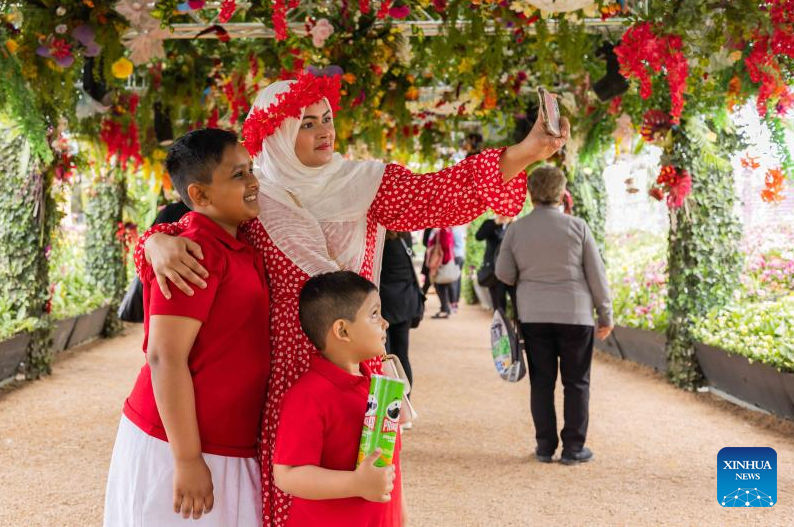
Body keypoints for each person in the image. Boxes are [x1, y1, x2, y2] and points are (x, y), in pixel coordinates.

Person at [135, 73, 568, 525]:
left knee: (373, 495)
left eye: (327, 119)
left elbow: (442, 194)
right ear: (276, 133)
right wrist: (153, 241)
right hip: (288, 380)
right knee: (298, 500)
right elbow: (192, 226)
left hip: (361, 371)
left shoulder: (366, 186)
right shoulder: (253, 196)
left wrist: (527, 151)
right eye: (306, 124)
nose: (324, 131)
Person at [104, 129, 270, 526]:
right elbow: (164, 357)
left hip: (226, 442)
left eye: (251, 170)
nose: (252, 182)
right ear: (200, 194)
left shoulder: (235, 240)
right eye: (238, 175)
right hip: (179, 443)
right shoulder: (194, 251)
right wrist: (187, 459)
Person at [494, 165, 612, 466]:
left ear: (530, 194)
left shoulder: (516, 229)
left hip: (534, 315)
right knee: (577, 383)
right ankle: (573, 448)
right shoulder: (578, 227)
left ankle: (545, 447)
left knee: (542, 382)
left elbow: (503, 273)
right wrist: (605, 315)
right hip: (576, 315)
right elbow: (597, 275)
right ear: (561, 193)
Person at [273, 271, 402, 526]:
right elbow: (287, 475)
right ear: (342, 330)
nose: (385, 323)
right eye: (374, 314)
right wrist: (356, 483)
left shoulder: (377, 387)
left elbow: (393, 471)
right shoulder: (308, 396)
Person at [378, 231, 423, 387]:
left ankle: (391, 400)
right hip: (405, 302)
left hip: (384, 304)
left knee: (386, 357)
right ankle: (406, 399)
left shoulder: (380, 240)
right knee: (402, 356)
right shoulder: (405, 236)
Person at [474, 215, 516, 317]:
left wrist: (514, 223)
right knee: (498, 305)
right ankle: (500, 325)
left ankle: (518, 327)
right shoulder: (490, 223)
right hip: (494, 270)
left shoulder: (517, 224)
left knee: (517, 304)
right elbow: (479, 236)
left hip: (512, 270)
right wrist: (495, 223)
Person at [427, 226, 456, 319]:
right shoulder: (449, 230)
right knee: (443, 287)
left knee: (439, 286)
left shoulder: (442, 230)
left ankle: (444, 310)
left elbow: (444, 246)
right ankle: (445, 309)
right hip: (446, 260)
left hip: (442, 262)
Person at [450, 225, 467, 310]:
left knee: (454, 280)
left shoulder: (453, 231)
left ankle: (453, 302)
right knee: (458, 279)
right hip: (461, 256)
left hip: (455, 256)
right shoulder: (459, 231)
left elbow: (451, 245)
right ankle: (456, 301)